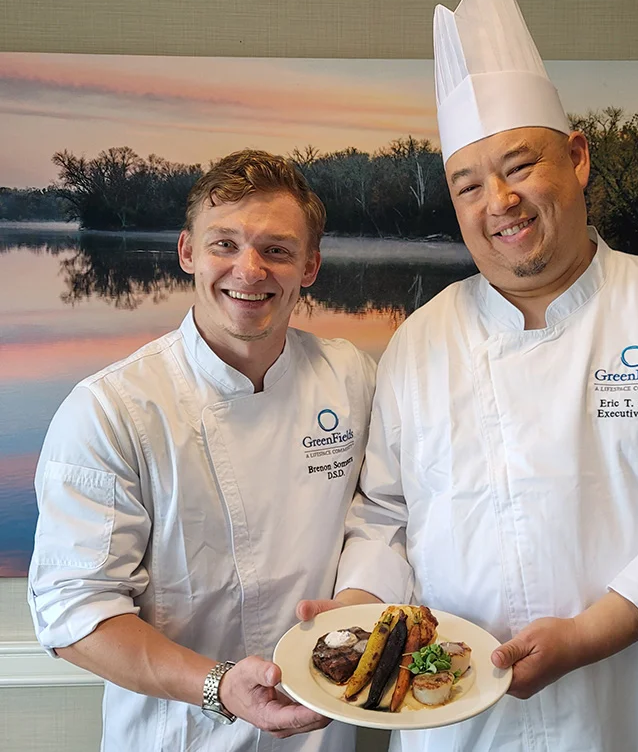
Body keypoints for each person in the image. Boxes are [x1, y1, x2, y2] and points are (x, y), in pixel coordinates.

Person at [323, 0, 638, 752]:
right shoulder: (420, 341)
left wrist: (586, 636)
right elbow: (384, 516)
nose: (497, 202)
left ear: (576, 159)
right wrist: (353, 617)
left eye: (518, 166)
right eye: (467, 184)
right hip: (460, 721)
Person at [28, 150, 380, 751]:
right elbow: (74, 614)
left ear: (310, 265)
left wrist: (355, 609)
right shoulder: (112, 409)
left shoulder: (349, 377)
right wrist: (217, 684)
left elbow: (378, 517)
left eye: (276, 249)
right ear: (188, 252)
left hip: (323, 736)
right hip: (179, 735)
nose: (249, 270)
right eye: (225, 244)